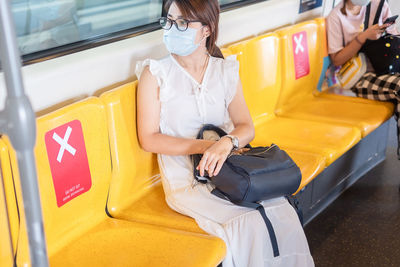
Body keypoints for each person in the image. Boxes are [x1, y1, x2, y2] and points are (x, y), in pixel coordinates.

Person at [136, 0, 314, 266]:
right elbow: (148, 138)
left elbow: (245, 126)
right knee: (249, 221)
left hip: (229, 170)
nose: (173, 28)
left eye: (183, 23)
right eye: (169, 21)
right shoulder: (156, 73)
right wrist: (205, 147)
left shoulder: (225, 70)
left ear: (206, 30)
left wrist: (227, 143)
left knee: (282, 212)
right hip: (187, 179)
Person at [326, 0, 400, 158]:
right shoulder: (336, 16)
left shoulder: (379, 6)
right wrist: (364, 36)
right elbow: (337, 60)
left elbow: (394, 39)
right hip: (358, 77)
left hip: (386, 69)